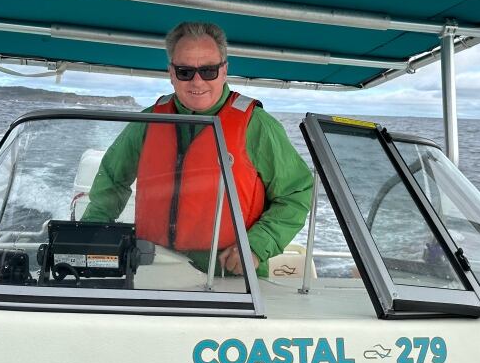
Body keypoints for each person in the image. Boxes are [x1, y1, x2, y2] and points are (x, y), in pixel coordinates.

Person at [82, 22, 312, 277]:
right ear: (171, 73)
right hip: (154, 268)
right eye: (185, 72)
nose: (197, 81)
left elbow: (297, 192)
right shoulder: (149, 121)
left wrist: (256, 246)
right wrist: (90, 236)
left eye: (208, 71)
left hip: (227, 275)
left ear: (224, 71)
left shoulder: (256, 125)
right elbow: (112, 179)